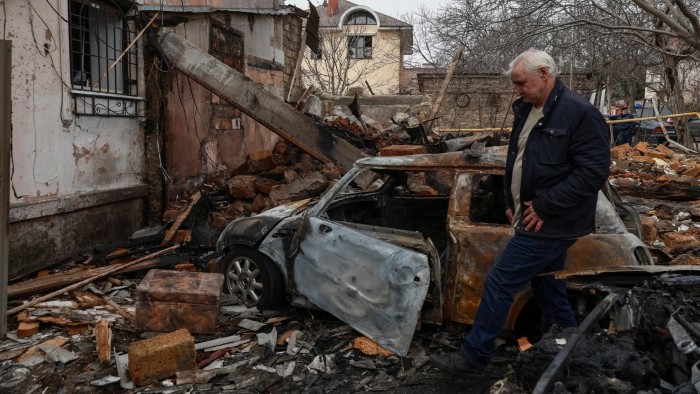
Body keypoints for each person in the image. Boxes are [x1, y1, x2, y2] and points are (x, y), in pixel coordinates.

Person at [429, 49, 611, 378]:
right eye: (515, 84)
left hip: (552, 221)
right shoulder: (528, 109)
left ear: (544, 73)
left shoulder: (579, 113)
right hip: (531, 214)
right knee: (546, 284)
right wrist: (509, 199)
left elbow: (593, 173)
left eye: (521, 83)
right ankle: (572, 351)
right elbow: (519, 158)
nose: (517, 90)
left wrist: (545, 205)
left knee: (500, 280)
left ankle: (475, 357)